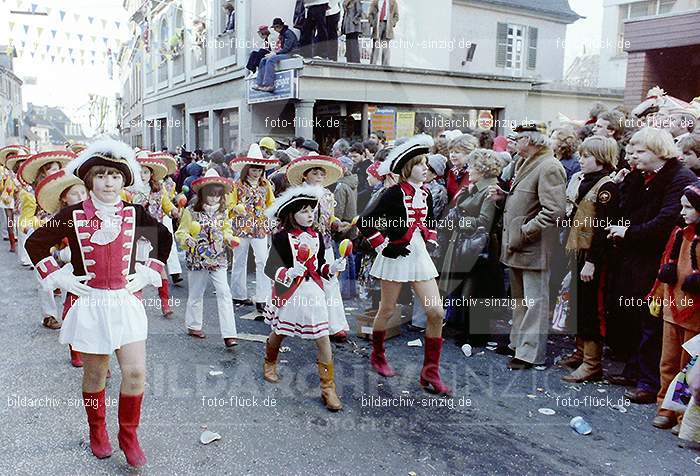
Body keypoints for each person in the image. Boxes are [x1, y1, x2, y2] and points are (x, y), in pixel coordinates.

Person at [25, 139, 172, 468]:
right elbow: (35, 243)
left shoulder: (134, 213)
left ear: (124, 181)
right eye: (102, 175)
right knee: (97, 376)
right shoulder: (73, 215)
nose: (109, 182)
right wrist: (60, 277)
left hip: (124, 302)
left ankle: (129, 436)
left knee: (135, 373)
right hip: (91, 305)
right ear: (89, 180)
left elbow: (164, 237)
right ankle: (97, 432)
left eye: (116, 176)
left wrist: (150, 272)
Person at [606, 127, 696, 403]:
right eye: (631, 149)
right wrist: (624, 183)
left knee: (652, 321)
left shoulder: (680, 178)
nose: (632, 154)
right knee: (634, 316)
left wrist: (629, 232)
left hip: (662, 259)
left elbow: (668, 220)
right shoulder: (639, 177)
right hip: (636, 257)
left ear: (659, 151)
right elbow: (624, 208)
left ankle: (651, 381)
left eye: (640, 150)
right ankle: (634, 370)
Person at [358, 134, 451, 395]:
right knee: (386, 310)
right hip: (394, 254)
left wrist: (431, 240)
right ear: (408, 167)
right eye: (421, 164)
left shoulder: (428, 194)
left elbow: (430, 222)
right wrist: (385, 245)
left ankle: (430, 371)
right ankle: (378, 355)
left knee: (436, 313)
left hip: (419, 255)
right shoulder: (390, 194)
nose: (426, 169)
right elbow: (365, 221)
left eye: (427, 164)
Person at [489, 122, 566, 370]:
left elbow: (554, 211)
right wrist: (503, 198)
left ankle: (530, 354)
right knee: (520, 300)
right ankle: (517, 344)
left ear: (531, 141)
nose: (514, 143)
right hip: (518, 245)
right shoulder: (525, 162)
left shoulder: (549, 166)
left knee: (534, 302)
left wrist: (525, 231)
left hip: (532, 246)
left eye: (518, 138)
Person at [262, 185, 346, 411]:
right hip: (290, 293)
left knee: (323, 337)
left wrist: (334, 266)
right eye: (304, 211)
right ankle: (270, 362)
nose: (310, 215)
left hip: (314, 292)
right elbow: (270, 268)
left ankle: (328, 388)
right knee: (280, 332)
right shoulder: (281, 237)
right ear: (292, 214)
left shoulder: (317, 236)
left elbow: (319, 267)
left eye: (312, 210)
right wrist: (288, 273)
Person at [560, 136, 619, 383]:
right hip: (578, 251)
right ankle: (581, 350)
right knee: (577, 304)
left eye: (586, 156)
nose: (581, 160)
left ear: (601, 159)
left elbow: (602, 230)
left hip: (592, 257)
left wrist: (592, 261)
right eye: (581, 155)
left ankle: (592, 363)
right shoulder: (585, 181)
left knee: (590, 308)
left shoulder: (607, 188)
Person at [648, 182, 700, 431]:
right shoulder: (679, 233)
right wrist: (657, 295)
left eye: (689, 207)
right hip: (673, 306)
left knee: (688, 368)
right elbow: (665, 264)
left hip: (695, 313)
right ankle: (666, 406)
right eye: (682, 206)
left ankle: (683, 414)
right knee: (667, 362)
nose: (683, 212)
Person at [440, 149, 504, 346]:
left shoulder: (490, 189)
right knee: (466, 288)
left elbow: (485, 221)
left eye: (472, 166)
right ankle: (465, 331)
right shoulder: (476, 187)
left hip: (477, 247)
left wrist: (459, 223)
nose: (468, 169)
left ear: (482, 169)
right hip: (465, 244)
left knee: (475, 290)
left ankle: (475, 336)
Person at [286, 154, 351, 341]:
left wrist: (338, 224)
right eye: (315, 172)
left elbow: (329, 218)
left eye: (322, 173)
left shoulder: (328, 195)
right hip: (305, 244)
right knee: (302, 282)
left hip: (326, 243)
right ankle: (296, 322)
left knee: (331, 281)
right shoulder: (297, 195)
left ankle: (335, 326)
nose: (320, 176)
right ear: (305, 175)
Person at [175, 169, 240, 347]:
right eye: (211, 196)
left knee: (224, 293)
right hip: (197, 258)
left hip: (218, 258)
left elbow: (226, 229)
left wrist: (229, 238)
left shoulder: (223, 212)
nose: (214, 199)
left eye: (218, 196)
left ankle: (229, 334)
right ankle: (193, 325)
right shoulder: (190, 212)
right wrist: (186, 239)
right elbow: (180, 232)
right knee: (196, 293)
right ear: (203, 194)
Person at [34, 169, 88, 366]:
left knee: (97, 317)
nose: (81, 197)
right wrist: (55, 267)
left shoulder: (94, 213)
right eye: (75, 194)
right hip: (72, 271)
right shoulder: (62, 218)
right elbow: (43, 244)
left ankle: (99, 359)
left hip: (94, 275)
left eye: (83, 192)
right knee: (72, 313)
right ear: (64, 198)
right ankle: (75, 350)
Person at [18, 151, 76, 329]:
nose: (56, 173)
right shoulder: (30, 194)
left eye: (58, 169)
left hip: (64, 242)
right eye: (52, 170)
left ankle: (71, 315)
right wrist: (40, 223)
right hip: (42, 242)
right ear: (43, 172)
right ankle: (49, 315)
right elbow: (24, 221)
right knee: (44, 279)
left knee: (71, 277)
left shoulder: (65, 190)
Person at [227, 144, 277, 313]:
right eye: (253, 169)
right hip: (241, 226)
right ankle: (238, 294)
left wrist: (271, 218)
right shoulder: (237, 184)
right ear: (247, 169)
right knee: (239, 260)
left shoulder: (266, 185)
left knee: (263, 260)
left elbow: (272, 204)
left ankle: (262, 298)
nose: (256, 173)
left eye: (259, 170)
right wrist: (236, 209)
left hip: (260, 227)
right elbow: (229, 204)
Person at [130, 156, 178, 316]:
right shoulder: (129, 192)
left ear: (151, 174)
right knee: (136, 269)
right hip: (135, 235)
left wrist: (173, 211)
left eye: (146, 172)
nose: (143, 175)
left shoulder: (159, 191)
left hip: (153, 234)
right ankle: (136, 303)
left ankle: (165, 304)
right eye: (140, 172)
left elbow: (166, 204)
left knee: (159, 269)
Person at [253, 18, 299, 93]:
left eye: (275, 28)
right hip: (285, 53)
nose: (274, 30)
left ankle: (269, 84)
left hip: (291, 54)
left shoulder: (288, 33)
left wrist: (275, 53)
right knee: (263, 60)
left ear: (279, 27)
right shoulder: (283, 34)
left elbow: (287, 48)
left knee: (271, 59)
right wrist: (273, 53)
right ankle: (259, 83)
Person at [0, 145, 29, 253]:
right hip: (8, 197)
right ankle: (12, 242)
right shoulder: (5, 171)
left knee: (18, 221)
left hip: (18, 198)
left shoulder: (24, 173)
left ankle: (20, 241)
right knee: (10, 220)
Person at [446, 133, 478, 203]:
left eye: (457, 152)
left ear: (469, 154)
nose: (452, 155)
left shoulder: (475, 172)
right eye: (451, 152)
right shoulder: (452, 172)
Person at [368, 0, 399, 66]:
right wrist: (373, 23)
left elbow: (396, 15)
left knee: (385, 46)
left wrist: (392, 23)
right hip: (378, 24)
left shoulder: (393, 2)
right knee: (376, 45)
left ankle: (385, 65)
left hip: (387, 25)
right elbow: (370, 14)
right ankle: (373, 65)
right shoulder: (376, 1)